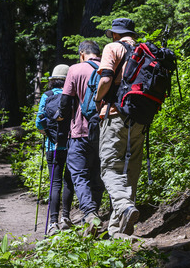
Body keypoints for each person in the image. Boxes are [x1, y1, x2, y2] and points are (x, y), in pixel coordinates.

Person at [94, 18, 145, 239]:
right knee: (131, 170)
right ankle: (119, 230)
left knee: (110, 168)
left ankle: (124, 207)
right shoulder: (144, 51)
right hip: (141, 118)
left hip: (115, 114)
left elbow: (106, 79)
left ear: (115, 34)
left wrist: (97, 99)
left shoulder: (113, 47)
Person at [57, 40, 105, 233]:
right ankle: (96, 212)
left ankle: (90, 213)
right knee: (98, 173)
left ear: (82, 53)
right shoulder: (108, 67)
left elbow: (65, 101)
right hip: (105, 130)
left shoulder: (75, 69)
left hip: (80, 131)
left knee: (79, 174)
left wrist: (60, 118)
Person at [35, 64, 74, 235]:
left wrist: (48, 133)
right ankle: (66, 218)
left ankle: (53, 222)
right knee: (69, 181)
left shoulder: (47, 95)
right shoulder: (72, 96)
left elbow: (39, 122)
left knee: (55, 183)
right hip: (72, 144)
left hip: (52, 146)